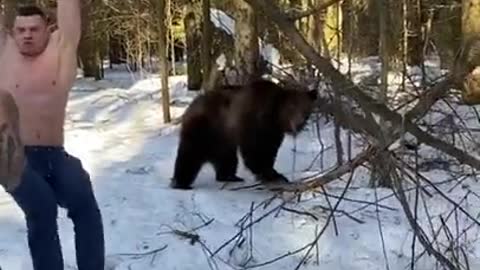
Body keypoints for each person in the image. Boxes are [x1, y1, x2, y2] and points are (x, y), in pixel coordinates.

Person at [0, 3, 105, 270]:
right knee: (42, 209)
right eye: (20, 30)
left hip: (54, 154)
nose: (27, 35)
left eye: (34, 29)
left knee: (84, 203)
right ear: (12, 32)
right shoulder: (4, 51)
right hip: (13, 156)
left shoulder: (62, 49)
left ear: (49, 29)